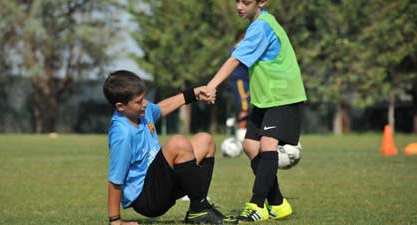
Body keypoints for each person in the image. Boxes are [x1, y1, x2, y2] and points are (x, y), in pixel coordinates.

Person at [202, 0, 307, 222]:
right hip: (264, 99)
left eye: (246, 2)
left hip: (282, 95)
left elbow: (235, 59)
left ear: (262, 2)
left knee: (268, 144)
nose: (239, 6)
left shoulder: (262, 26)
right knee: (250, 146)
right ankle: (278, 204)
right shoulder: (258, 23)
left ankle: (257, 205)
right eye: (237, 0)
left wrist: (211, 86)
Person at [103, 70, 237, 225]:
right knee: (177, 143)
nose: (145, 103)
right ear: (120, 106)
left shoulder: (141, 112)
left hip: (163, 184)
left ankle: (197, 210)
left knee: (205, 141)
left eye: (144, 98)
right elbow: (115, 179)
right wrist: (115, 221)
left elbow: (161, 108)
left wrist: (193, 94)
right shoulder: (122, 134)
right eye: (139, 101)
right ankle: (201, 209)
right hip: (147, 199)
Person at [228, 30, 250, 141]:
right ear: (241, 38)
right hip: (240, 81)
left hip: (245, 81)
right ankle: (241, 135)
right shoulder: (236, 49)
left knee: (246, 107)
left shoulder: (240, 49)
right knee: (244, 106)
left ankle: (238, 127)